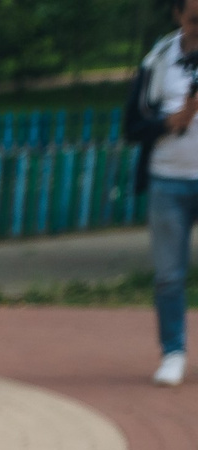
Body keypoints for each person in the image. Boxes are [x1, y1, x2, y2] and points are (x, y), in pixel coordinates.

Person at [137, 1, 198, 387]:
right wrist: (174, 119)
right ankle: (173, 352)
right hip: (168, 180)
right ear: (178, 15)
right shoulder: (158, 60)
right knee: (169, 276)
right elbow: (133, 123)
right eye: (194, 18)